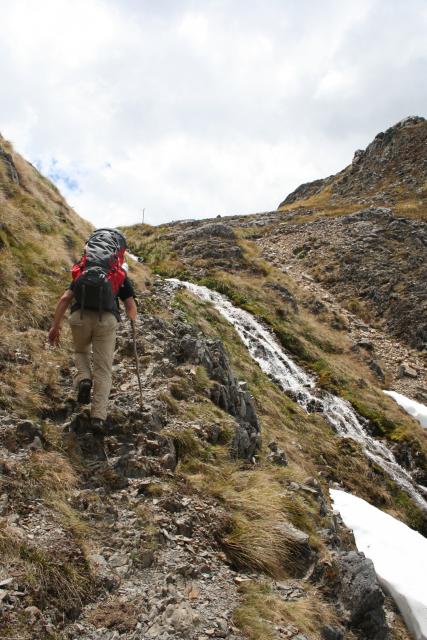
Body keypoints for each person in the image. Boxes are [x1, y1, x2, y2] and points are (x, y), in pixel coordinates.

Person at [48, 263, 137, 431]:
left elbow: (65, 298)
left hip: (79, 316)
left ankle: (84, 379)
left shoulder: (85, 271)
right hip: (106, 321)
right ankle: (98, 417)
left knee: (81, 351)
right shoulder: (119, 274)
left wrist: (55, 326)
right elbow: (131, 307)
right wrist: (132, 321)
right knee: (103, 369)